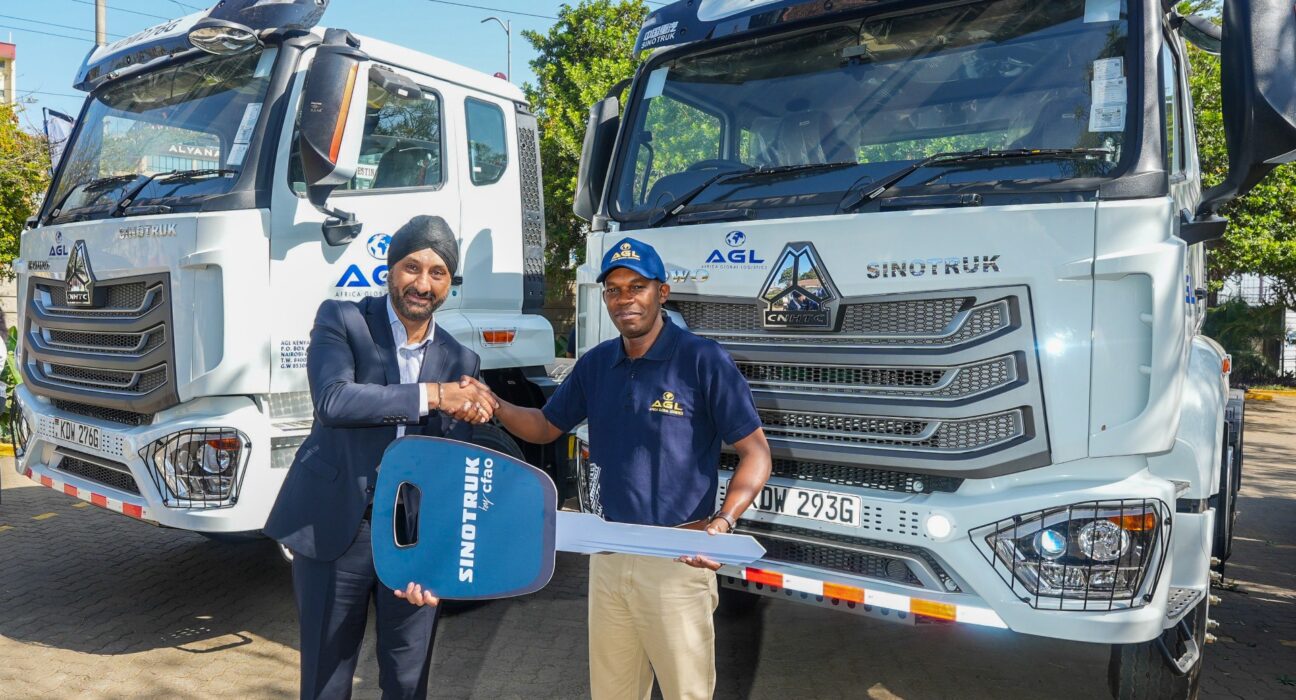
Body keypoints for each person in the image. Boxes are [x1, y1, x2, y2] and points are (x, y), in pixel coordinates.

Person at [473, 237, 772, 700]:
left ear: (662, 293)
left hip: (678, 556)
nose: (624, 299)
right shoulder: (597, 364)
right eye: (613, 289)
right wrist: (493, 403)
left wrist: (723, 522)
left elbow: (756, 453)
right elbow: (546, 425)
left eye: (637, 287)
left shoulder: (702, 360)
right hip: (608, 553)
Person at [264, 215, 496, 700]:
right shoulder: (343, 320)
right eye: (412, 267)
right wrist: (432, 394)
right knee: (326, 682)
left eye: (438, 273)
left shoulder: (462, 362)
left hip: (411, 542)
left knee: (408, 683)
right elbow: (334, 400)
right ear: (391, 269)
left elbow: (451, 474)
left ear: (450, 284)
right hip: (335, 532)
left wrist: (438, 562)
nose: (422, 283)